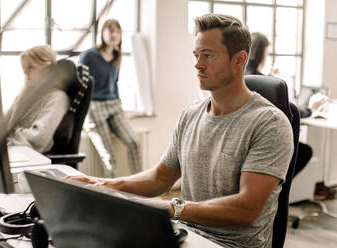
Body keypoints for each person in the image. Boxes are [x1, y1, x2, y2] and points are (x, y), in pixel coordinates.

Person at [69, 14, 294, 248]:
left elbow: (246, 209)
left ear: (239, 60)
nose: (198, 64)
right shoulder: (191, 114)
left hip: (230, 245)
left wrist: (172, 208)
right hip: (188, 235)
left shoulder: (270, 124)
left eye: (208, 55)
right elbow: (160, 178)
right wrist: (107, 185)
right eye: (196, 55)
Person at [245, 32, 333, 199]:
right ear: (261, 53)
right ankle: (274, 189)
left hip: (250, 137)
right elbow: (288, 109)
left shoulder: (245, 75)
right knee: (305, 151)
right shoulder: (261, 81)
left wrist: (270, 77)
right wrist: (311, 109)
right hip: (265, 140)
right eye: (267, 53)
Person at [79, 19, 141, 178]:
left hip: (114, 105)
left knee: (134, 142)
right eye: (110, 30)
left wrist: (119, 104)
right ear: (102, 33)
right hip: (94, 107)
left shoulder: (116, 56)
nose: (114, 34)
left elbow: (115, 83)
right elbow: (79, 84)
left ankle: (141, 185)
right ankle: (110, 195)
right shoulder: (89, 55)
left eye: (117, 31)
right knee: (108, 156)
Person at [7, 45, 70, 153]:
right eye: (23, 67)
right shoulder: (22, 96)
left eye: (31, 67)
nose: (25, 73)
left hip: (31, 158)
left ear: (48, 69)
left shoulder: (57, 98)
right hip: (12, 152)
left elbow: (39, 139)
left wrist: (8, 141)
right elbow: (5, 126)